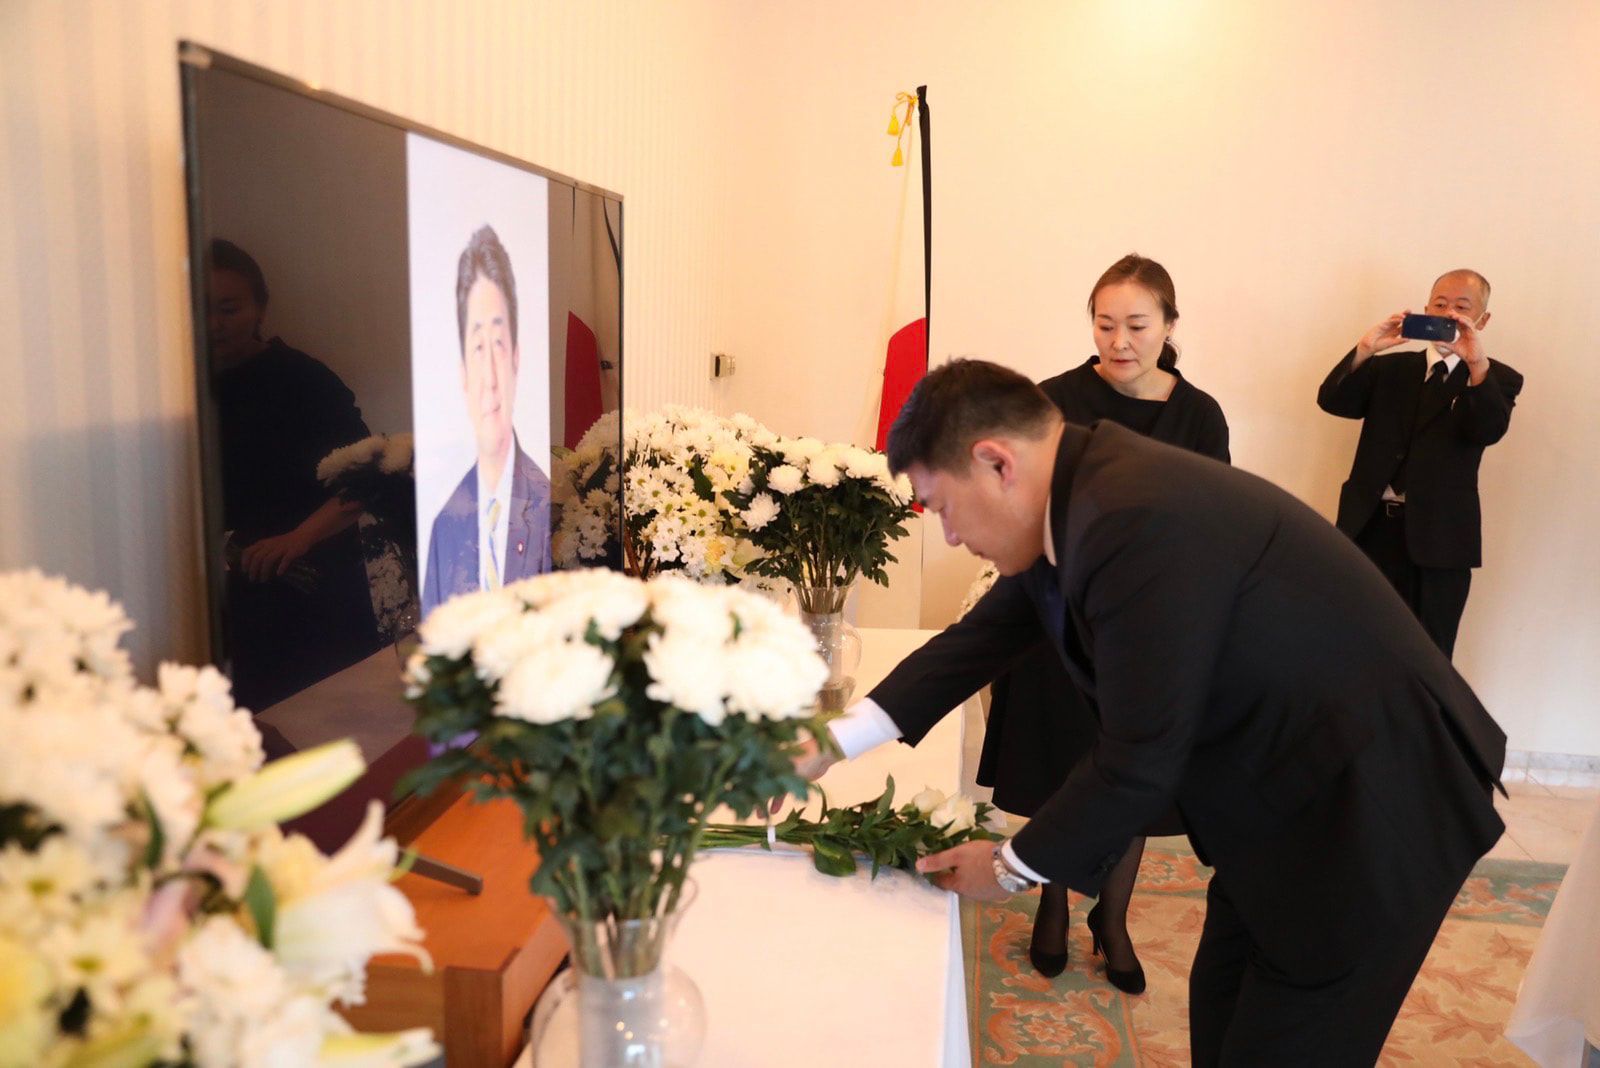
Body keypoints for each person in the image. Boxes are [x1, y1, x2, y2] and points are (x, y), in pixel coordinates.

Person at [801, 359, 1507, 1064]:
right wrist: (825, 746)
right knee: (1223, 1016)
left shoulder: (1132, 517)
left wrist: (1011, 866)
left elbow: (1140, 757)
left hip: (1371, 812)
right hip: (1276, 802)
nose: (951, 536)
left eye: (941, 507)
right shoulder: (1080, 495)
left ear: (996, 463)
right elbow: (976, 642)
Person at [979, 254, 1229, 987]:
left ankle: (1111, 917)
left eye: (1137, 326)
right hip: (1060, 619)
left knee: (1134, 775)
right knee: (1062, 770)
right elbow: (1015, 500)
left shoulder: (1199, 415)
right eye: (1105, 324)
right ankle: (1052, 904)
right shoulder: (1051, 401)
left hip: (1149, 630)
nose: (1120, 341)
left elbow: (1211, 523)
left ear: (1170, 326)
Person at [207, 239, 382, 711]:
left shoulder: (303, 379)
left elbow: (366, 478)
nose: (215, 324)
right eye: (202, 309)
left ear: (260, 308)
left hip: (313, 583)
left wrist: (298, 538)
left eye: (229, 309)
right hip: (232, 594)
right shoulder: (179, 387)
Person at [1318, 269, 1523, 658]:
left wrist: (1477, 365)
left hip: (1440, 542)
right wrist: (1365, 348)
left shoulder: (1496, 378)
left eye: (1461, 307)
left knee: (1427, 655)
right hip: (1368, 527)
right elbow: (1333, 401)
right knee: (1349, 643)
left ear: (1482, 320)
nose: (1448, 313)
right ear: (1426, 309)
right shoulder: (1389, 369)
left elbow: (1487, 430)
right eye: (1440, 304)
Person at [421, 225, 552, 616]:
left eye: (498, 344)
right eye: (479, 347)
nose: (491, 377)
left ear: (516, 358)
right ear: (462, 371)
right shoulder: (445, 523)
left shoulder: (550, 502)